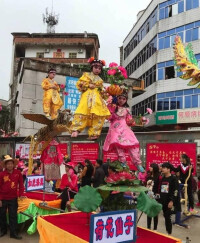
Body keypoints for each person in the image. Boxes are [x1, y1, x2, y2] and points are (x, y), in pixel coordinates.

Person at [103, 91, 144, 172]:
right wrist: (110, 109)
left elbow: (129, 122)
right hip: (115, 129)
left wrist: (138, 120)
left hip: (125, 129)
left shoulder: (127, 110)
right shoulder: (112, 107)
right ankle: (123, 162)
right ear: (117, 99)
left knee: (133, 145)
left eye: (124, 99)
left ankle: (138, 163)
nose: (121, 100)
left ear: (126, 100)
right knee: (118, 146)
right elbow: (109, 118)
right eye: (120, 98)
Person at [71, 57, 110, 139]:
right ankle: (76, 129)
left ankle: (94, 133)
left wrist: (108, 96)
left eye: (99, 68)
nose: (97, 70)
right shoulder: (86, 75)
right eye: (96, 67)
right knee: (82, 112)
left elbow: (102, 91)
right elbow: (79, 84)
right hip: (86, 98)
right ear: (92, 67)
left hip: (97, 100)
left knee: (99, 115)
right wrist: (88, 85)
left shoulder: (100, 80)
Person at [0, 155, 25, 239]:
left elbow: (21, 185)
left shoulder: (18, 173)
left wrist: (21, 194)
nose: (10, 165)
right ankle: (3, 230)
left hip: (13, 198)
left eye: (11, 163)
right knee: (2, 215)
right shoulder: (2, 174)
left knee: (13, 215)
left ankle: (13, 233)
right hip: (3, 198)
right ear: (5, 165)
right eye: (8, 164)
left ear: (13, 164)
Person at [159, 162, 179, 235]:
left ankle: (169, 233)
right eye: (162, 167)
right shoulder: (163, 178)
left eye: (164, 168)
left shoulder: (173, 179)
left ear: (168, 169)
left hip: (170, 202)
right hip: (163, 201)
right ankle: (168, 233)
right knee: (165, 216)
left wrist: (172, 201)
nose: (162, 169)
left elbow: (176, 191)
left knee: (168, 217)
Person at [146, 163, 161, 231]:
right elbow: (146, 185)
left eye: (151, 167)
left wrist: (157, 197)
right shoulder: (148, 176)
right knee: (149, 212)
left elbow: (159, 187)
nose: (150, 168)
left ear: (154, 168)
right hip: (148, 195)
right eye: (150, 166)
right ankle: (148, 227)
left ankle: (155, 228)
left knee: (155, 213)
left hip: (155, 196)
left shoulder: (159, 176)